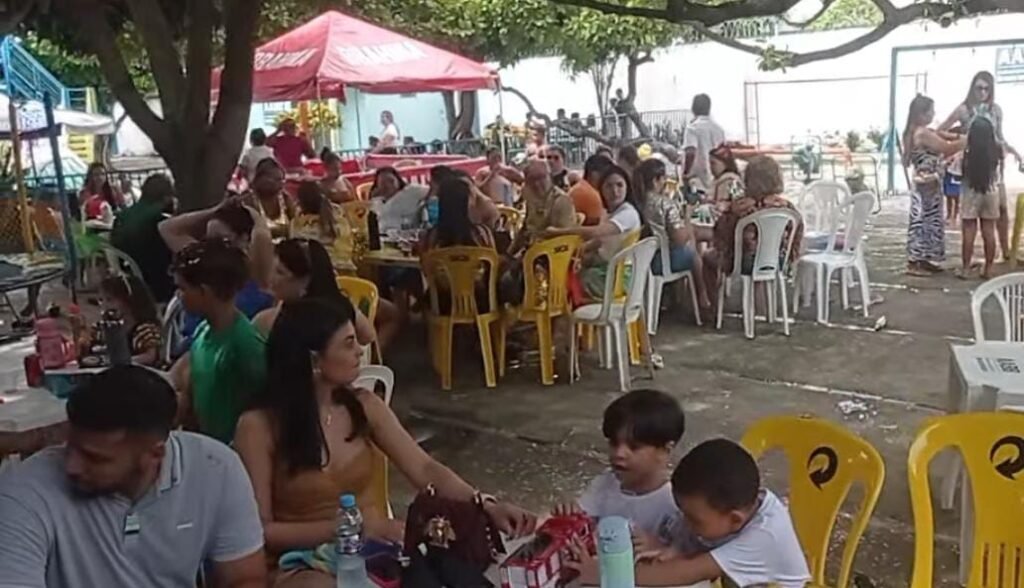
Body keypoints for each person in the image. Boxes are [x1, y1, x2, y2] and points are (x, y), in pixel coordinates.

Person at [234, 298, 538, 584]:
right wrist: (350, 529)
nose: (360, 351)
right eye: (348, 344)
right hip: (303, 564)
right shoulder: (258, 426)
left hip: (375, 551)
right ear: (314, 360)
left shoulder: (364, 406)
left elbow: (425, 468)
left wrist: (486, 505)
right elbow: (261, 531)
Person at [0, 365, 266, 587]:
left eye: (95, 458)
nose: (72, 466)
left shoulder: (215, 468)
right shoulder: (24, 491)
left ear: (154, 455)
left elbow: (244, 578)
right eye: (70, 446)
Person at [569, 438, 810, 587]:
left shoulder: (764, 537)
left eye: (693, 519)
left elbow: (684, 574)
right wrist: (672, 549)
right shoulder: (736, 506)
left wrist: (604, 574)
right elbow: (697, 548)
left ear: (735, 519)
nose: (684, 522)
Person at [553, 389, 685, 546]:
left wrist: (658, 548)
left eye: (634, 447)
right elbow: (584, 520)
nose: (619, 454)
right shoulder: (605, 484)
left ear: (665, 450)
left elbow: (686, 554)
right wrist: (569, 515)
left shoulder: (675, 505)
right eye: (614, 443)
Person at [170, 239, 267, 444]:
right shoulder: (203, 330)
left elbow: (264, 414)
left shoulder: (245, 346)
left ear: (204, 291)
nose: (179, 295)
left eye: (183, 288)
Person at [160, 200, 275, 340]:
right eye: (209, 240)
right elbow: (167, 228)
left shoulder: (255, 271)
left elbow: (261, 236)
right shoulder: (204, 260)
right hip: (196, 341)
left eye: (223, 240)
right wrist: (216, 210)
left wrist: (254, 214)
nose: (215, 246)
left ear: (244, 239)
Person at [940, 71, 1021, 260]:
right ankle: (972, 264)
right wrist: (961, 139)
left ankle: (1005, 252)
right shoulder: (964, 110)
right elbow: (941, 129)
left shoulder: (995, 110)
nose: (982, 92)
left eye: (986, 88)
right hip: (972, 168)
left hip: (994, 168)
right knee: (971, 220)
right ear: (972, 88)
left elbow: (999, 137)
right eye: (979, 88)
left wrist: (1013, 151)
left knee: (1000, 212)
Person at [251, 238, 385, 347]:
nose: (271, 277)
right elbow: (368, 336)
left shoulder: (274, 322)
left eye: (280, 272)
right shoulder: (341, 304)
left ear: (306, 281)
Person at [702, 155, 803, 298]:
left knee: (707, 257)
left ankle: (712, 303)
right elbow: (798, 230)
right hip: (777, 260)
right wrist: (791, 255)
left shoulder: (740, 207)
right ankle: (762, 304)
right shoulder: (787, 207)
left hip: (744, 261)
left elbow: (721, 232)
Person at [544, 165, 643, 299]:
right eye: (609, 186)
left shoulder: (628, 213)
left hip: (619, 279)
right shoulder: (608, 212)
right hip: (608, 270)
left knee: (571, 284)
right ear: (601, 189)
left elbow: (597, 232)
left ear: (627, 188)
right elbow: (599, 241)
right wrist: (579, 249)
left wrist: (559, 232)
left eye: (619, 185)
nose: (615, 191)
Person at [903, 94, 967, 276]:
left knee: (926, 220)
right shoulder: (922, 133)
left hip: (926, 183)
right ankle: (915, 262)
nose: (934, 114)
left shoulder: (915, 131)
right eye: (931, 111)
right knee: (923, 221)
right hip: (926, 185)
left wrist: (956, 136)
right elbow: (946, 147)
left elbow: (941, 136)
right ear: (922, 114)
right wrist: (965, 141)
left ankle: (923, 258)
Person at [634, 158, 709, 310]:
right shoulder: (665, 204)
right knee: (694, 255)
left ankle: (675, 298)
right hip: (661, 262)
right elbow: (679, 239)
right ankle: (703, 296)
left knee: (689, 245)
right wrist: (687, 218)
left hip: (641, 259)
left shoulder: (637, 201)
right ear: (656, 180)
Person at [111, 173, 177, 302]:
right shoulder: (160, 219)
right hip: (155, 281)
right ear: (166, 196)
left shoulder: (123, 216)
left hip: (127, 273)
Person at [959, 115, 1003, 279]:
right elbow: (999, 172)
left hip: (971, 191)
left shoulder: (968, 151)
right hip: (991, 190)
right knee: (989, 231)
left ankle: (965, 269)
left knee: (969, 231)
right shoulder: (996, 150)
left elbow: (961, 172)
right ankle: (989, 268)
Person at [509, 159, 577, 256]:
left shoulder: (561, 201)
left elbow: (564, 240)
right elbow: (524, 230)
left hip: (551, 255)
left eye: (541, 178)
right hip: (530, 251)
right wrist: (509, 254)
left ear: (550, 177)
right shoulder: (531, 198)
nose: (537, 184)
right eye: (532, 180)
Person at [289, 180, 355, 273]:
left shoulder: (298, 225)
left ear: (300, 202)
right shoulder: (338, 216)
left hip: (315, 273)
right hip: (345, 271)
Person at [96, 275, 162, 366]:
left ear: (129, 300)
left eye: (109, 300)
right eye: (101, 300)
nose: (105, 305)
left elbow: (150, 356)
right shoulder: (106, 328)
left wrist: (124, 362)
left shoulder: (145, 329)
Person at [683, 94, 727, 194]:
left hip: (699, 180)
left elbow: (690, 152)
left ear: (693, 109)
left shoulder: (692, 128)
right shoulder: (719, 129)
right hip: (717, 178)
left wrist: (686, 173)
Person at [369, 166, 430, 232]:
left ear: (398, 181)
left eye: (391, 181)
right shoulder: (376, 202)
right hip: (383, 235)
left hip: (407, 234)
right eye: (383, 183)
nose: (388, 185)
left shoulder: (412, 191)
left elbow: (433, 191)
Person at [248, 157, 294, 239]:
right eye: (277, 180)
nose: (281, 184)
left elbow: (296, 227)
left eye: (282, 180)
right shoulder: (249, 201)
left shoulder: (285, 199)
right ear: (261, 179)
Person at [569, 154, 613, 226]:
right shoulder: (590, 194)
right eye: (606, 174)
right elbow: (598, 228)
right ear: (593, 173)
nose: (607, 179)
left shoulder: (580, 187)